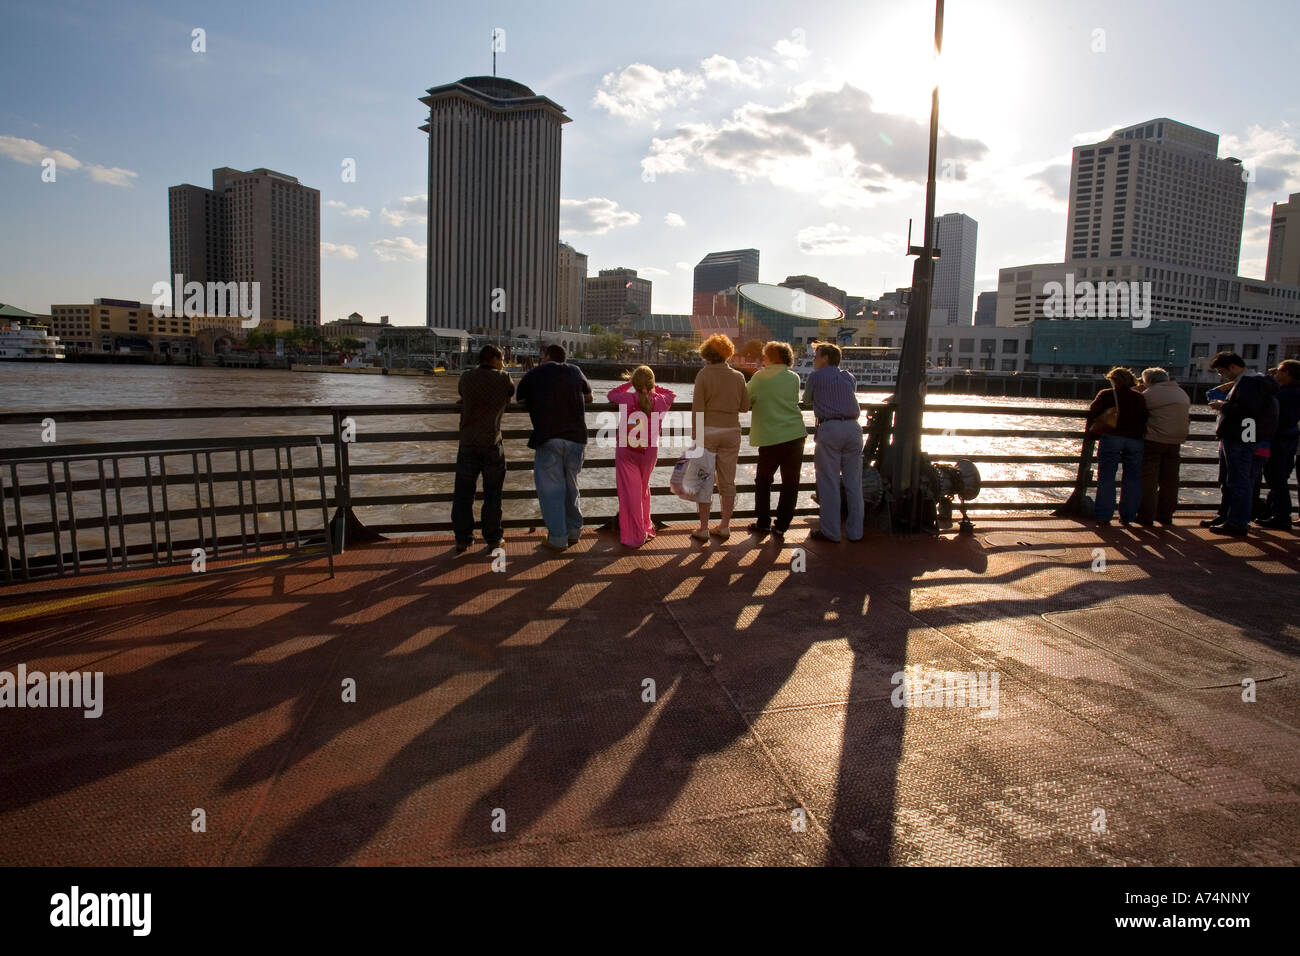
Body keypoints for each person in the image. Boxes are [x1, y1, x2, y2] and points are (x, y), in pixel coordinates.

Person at [515, 343, 593, 552]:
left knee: (551, 491)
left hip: (548, 438)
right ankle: (575, 531)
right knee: (571, 487)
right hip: (577, 439)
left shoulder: (535, 374)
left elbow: (519, 398)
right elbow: (589, 396)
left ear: (546, 355)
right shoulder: (575, 371)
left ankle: (558, 538)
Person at [1204, 351, 1279, 536]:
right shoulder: (1261, 382)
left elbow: (1246, 411)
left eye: (1222, 371)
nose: (1222, 375)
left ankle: (1236, 522)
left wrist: (1222, 406)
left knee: (1238, 481)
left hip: (1239, 438)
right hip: (1255, 438)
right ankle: (1232, 517)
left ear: (1233, 367)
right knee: (1243, 481)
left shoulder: (1248, 384)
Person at [451, 344, 515, 552]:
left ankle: (463, 538)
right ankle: (493, 538)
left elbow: (463, 395)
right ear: (495, 359)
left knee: (463, 494)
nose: (504, 363)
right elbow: (509, 396)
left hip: (468, 443)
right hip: (492, 443)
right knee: (493, 494)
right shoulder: (504, 378)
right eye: (502, 359)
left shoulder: (466, 377)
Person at [690, 334, 750, 543]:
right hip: (732, 431)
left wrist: (695, 437)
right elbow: (744, 407)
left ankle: (704, 528)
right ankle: (725, 526)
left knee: (704, 480)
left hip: (707, 431)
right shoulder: (738, 376)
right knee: (727, 481)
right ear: (728, 353)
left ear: (707, 353)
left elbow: (697, 408)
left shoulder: (704, 374)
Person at [608, 366, 676, 548]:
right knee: (643, 490)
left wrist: (630, 384)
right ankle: (645, 526)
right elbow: (672, 393)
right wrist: (652, 387)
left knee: (630, 493)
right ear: (652, 383)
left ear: (634, 383)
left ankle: (635, 535)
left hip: (627, 451)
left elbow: (611, 394)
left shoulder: (626, 398)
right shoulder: (661, 400)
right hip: (648, 453)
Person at [746, 341, 808, 541]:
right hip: (795, 435)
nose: (762, 359)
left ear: (772, 357)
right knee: (790, 483)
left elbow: (745, 398)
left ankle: (763, 522)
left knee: (763, 481)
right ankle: (781, 526)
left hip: (771, 437)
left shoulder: (760, 376)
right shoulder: (793, 377)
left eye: (765, 355)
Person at [804, 342, 864, 542]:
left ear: (825, 358)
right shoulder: (848, 377)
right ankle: (856, 532)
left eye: (816, 356)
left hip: (829, 428)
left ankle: (831, 532)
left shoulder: (815, 377)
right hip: (854, 429)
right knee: (854, 483)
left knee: (829, 481)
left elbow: (806, 400)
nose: (813, 359)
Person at [1086, 366, 1148, 526]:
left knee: (1106, 477)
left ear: (1113, 380)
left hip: (1112, 437)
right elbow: (1145, 417)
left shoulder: (1106, 394)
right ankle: (1127, 516)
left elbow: (1093, 412)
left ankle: (1104, 516)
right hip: (1135, 440)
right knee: (1133, 479)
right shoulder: (1139, 397)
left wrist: (1092, 433)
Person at [1135, 367, 1190, 527]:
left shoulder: (1151, 393)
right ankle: (1165, 515)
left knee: (1148, 479)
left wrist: (1139, 391)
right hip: (1176, 440)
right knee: (1170, 480)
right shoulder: (1181, 392)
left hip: (1154, 439)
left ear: (1149, 381)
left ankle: (1146, 516)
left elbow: (1138, 409)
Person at [1259, 359, 1300, 529]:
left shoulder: (1286, 394)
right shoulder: (1294, 391)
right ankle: (1272, 511)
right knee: (1279, 477)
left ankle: (1281, 516)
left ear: (1288, 374)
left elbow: (1275, 414)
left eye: (1280, 371)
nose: (1277, 373)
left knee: (1275, 477)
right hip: (1290, 439)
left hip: (1279, 440)